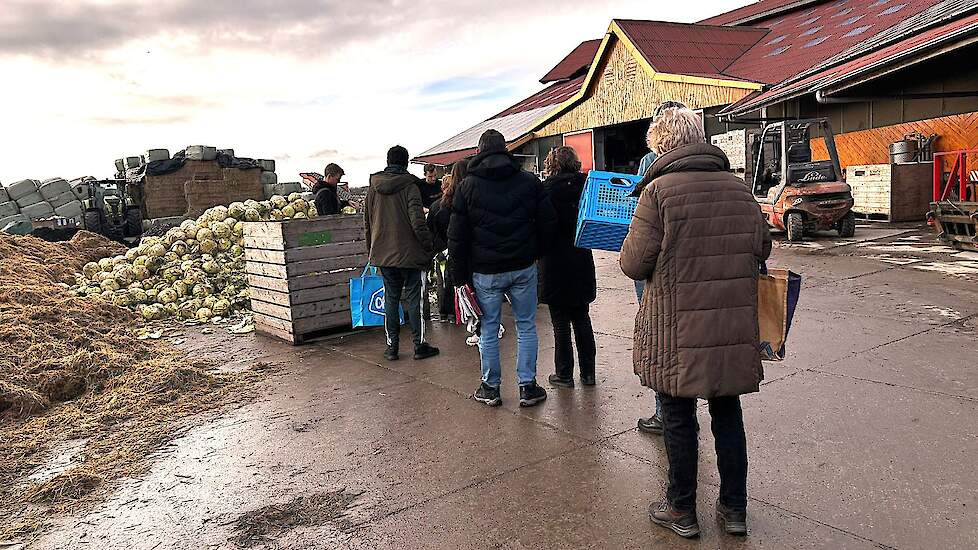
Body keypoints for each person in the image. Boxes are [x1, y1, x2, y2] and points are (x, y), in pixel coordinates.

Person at [619, 107, 771, 539]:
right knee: (728, 413)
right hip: (730, 328)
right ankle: (734, 509)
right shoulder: (740, 190)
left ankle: (682, 509)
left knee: (677, 415)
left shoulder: (658, 194)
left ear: (662, 146)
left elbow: (633, 263)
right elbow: (763, 248)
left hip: (675, 330)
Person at [449, 129, 557, 408]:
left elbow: (457, 236)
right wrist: (536, 253)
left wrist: (458, 276)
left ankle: (490, 387)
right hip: (523, 266)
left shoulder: (467, 186)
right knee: (526, 326)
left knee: (488, 329)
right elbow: (548, 223)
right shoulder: (529, 181)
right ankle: (528, 387)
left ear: (479, 151)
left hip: (485, 271)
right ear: (505, 149)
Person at [634, 99, 687, 436]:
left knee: (659, 335)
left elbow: (635, 257)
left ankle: (665, 412)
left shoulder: (649, 166)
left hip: (657, 263)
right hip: (697, 268)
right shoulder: (717, 171)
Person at [365, 146, 441, 362]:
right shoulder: (410, 187)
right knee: (414, 299)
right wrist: (428, 246)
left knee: (391, 299)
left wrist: (371, 251)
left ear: (387, 161)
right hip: (409, 254)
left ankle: (392, 347)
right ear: (406, 163)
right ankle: (419, 345)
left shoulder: (373, 188)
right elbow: (418, 222)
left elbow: (367, 224)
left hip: (383, 255)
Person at [538, 146, 596, 388]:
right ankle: (588, 374)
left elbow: (542, 229)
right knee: (582, 318)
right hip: (581, 258)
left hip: (554, 262)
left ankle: (564, 374)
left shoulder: (545, 192)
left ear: (552, 165)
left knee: (560, 323)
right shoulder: (588, 188)